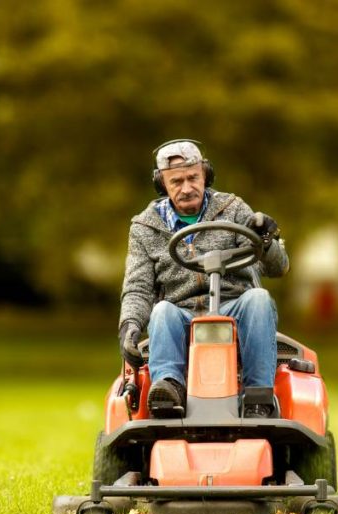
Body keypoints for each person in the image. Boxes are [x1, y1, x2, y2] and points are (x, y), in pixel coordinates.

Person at [118, 139, 289, 418]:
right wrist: (129, 325)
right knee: (161, 311)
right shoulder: (144, 226)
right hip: (181, 315)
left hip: (235, 309)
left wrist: (268, 241)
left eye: (192, 178)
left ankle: (258, 397)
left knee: (258, 298)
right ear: (163, 184)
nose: (186, 188)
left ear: (205, 175)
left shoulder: (233, 208)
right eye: (176, 182)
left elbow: (278, 268)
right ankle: (169, 389)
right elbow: (137, 287)